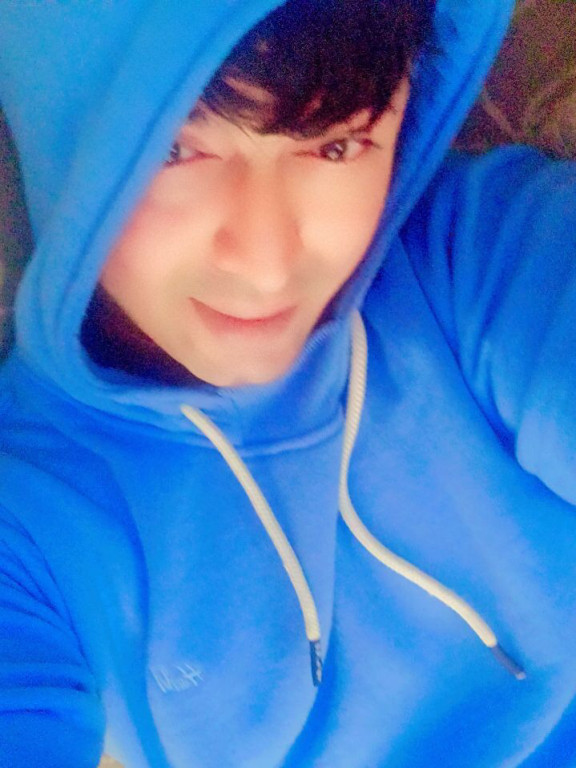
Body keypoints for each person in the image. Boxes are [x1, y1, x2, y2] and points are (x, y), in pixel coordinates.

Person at [0, 0, 576, 766]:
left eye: (336, 145)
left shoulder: (481, 252)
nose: (267, 263)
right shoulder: (25, 514)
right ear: (66, 132)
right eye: (173, 150)